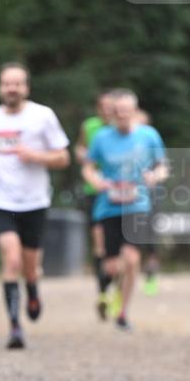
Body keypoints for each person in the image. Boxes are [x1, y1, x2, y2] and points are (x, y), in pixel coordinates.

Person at [0, 63, 70, 349]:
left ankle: (32, 288)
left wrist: (36, 156)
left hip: (34, 201)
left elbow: (63, 158)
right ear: (0, 87)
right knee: (12, 260)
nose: (12, 88)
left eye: (17, 84)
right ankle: (15, 327)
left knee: (30, 267)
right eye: (7, 84)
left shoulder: (43, 116)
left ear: (26, 87)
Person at [81, 89, 167, 331]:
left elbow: (162, 166)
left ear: (134, 111)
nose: (122, 116)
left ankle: (122, 312)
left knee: (130, 259)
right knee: (111, 266)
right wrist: (95, 180)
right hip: (108, 207)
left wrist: (155, 176)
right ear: (111, 114)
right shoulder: (101, 138)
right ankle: (109, 289)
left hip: (137, 205)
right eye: (117, 113)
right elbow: (88, 167)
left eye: (126, 112)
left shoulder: (149, 135)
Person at [75, 92, 115, 319]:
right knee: (100, 244)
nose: (108, 111)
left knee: (120, 248)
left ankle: (114, 287)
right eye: (104, 107)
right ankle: (102, 291)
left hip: (122, 194)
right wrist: (86, 158)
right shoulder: (90, 126)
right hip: (96, 192)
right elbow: (80, 149)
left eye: (112, 107)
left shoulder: (127, 128)